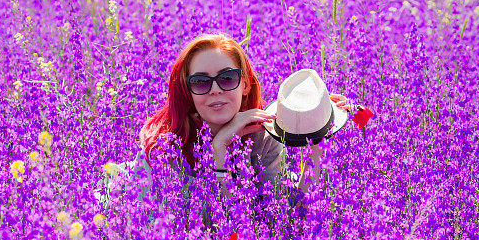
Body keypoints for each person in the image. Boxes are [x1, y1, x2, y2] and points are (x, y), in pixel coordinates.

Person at [94, 32, 352, 212]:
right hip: (131, 197)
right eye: (200, 82)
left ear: (245, 84)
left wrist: (318, 139)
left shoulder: (263, 135)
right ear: (188, 91)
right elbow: (206, 225)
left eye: (227, 78)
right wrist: (220, 148)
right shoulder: (167, 145)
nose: (215, 90)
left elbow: (283, 213)